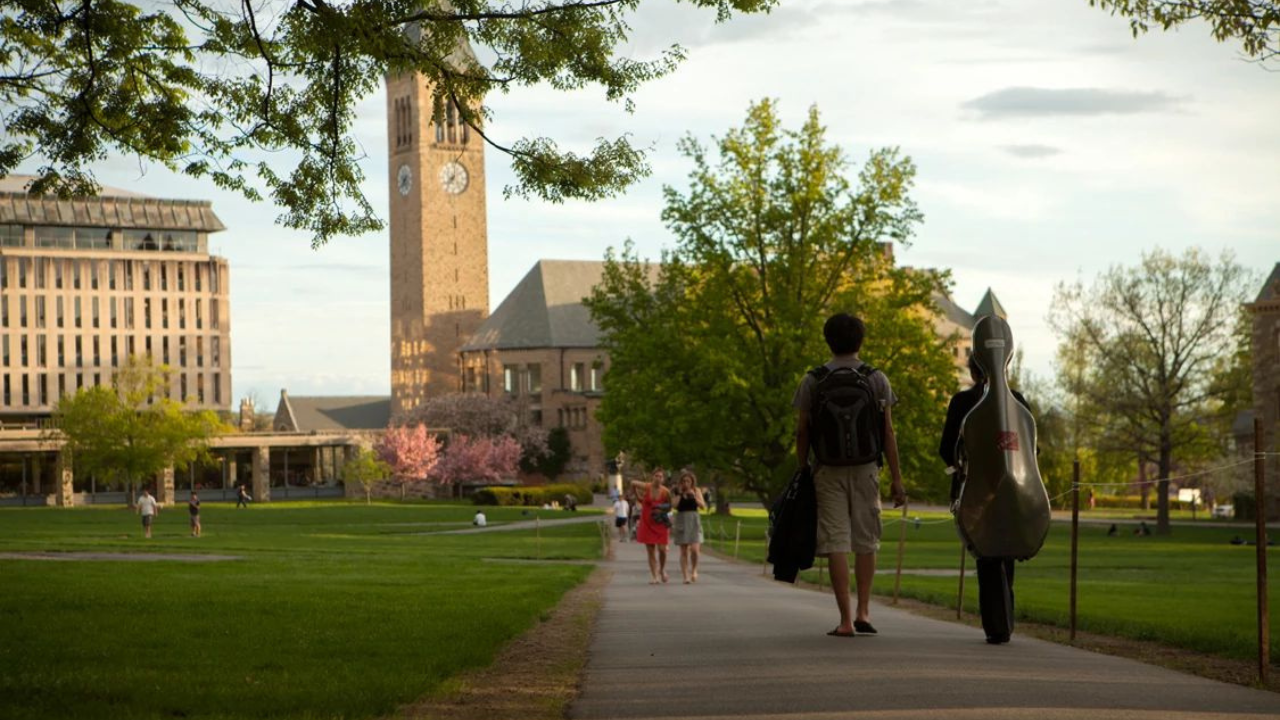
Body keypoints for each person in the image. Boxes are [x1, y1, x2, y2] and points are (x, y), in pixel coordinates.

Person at [794, 313, 906, 637]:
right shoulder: (876, 378)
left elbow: (802, 431)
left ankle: (844, 620)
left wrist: (803, 469)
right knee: (866, 541)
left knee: (836, 542)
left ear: (828, 340)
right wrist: (897, 479)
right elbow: (888, 433)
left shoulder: (812, 380)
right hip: (867, 467)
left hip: (827, 470)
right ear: (861, 340)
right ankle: (864, 611)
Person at [940, 353, 1032, 645]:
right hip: (1012, 489)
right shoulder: (1016, 399)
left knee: (986, 552)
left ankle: (997, 624)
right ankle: (1003, 619)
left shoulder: (962, 402)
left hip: (974, 490)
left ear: (972, 371)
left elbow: (947, 449)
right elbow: (1031, 448)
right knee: (1006, 551)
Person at [631, 468, 673, 584]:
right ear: (652, 477)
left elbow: (670, 506)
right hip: (647, 521)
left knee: (662, 550)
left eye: (660, 476)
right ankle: (654, 576)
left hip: (660, 521)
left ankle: (662, 569)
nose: (658, 478)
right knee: (650, 550)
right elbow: (633, 483)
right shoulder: (647, 487)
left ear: (663, 479)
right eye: (656, 476)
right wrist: (636, 492)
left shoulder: (666, 491)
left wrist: (661, 510)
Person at [672, 469, 707, 583]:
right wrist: (681, 494)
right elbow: (674, 505)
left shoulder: (696, 491)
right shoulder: (678, 492)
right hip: (682, 519)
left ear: (692, 482)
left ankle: (694, 570)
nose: (686, 483)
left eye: (688, 481)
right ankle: (685, 576)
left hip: (694, 520)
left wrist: (694, 497)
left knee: (695, 550)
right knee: (683, 550)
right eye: (684, 481)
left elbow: (703, 506)